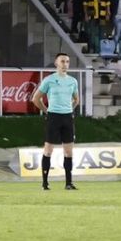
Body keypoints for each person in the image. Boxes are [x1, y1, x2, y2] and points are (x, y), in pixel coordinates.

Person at [33, 52, 79, 190]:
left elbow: (76, 99)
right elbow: (36, 99)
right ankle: (45, 183)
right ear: (56, 63)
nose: (65, 64)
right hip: (53, 117)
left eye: (67, 62)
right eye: (62, 61)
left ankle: (68, 183)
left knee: (69, 152)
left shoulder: (73, 81)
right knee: (48, 150)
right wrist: (47, 111)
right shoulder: (49, 80)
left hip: (67, 117)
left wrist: (69, 109)